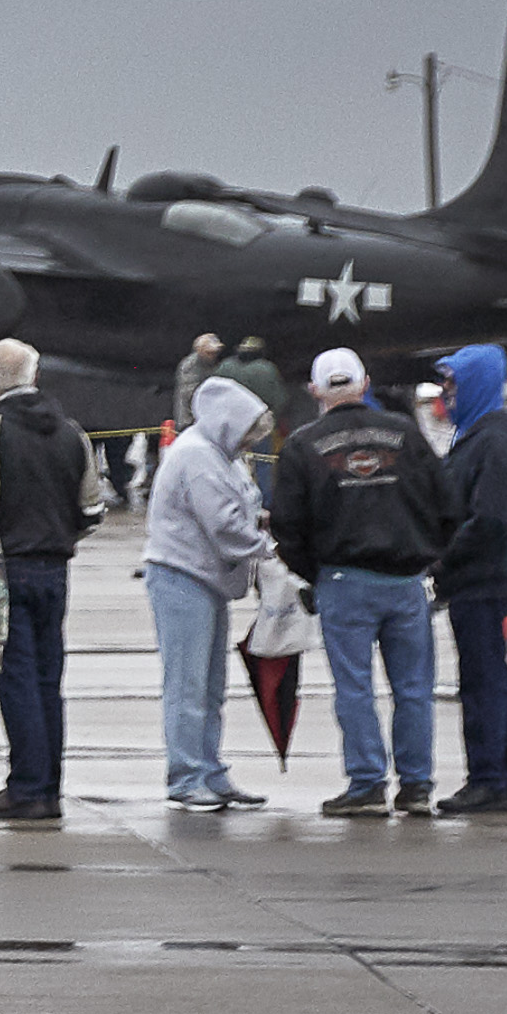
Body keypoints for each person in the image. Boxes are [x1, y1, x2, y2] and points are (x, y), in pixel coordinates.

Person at [268, 346, 456, 816]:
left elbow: (286, 524)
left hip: (342, 579)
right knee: (413, 689)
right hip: (405, 579)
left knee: (354, 688)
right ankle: (416, 784)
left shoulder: (302, 445)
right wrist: (429, 558)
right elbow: (446, 504)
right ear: (365, 383)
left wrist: (314, 572)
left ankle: (367, 782)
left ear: (314, 390)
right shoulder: (405, 433)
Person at [139, 373, 277, 808]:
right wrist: (269, 549)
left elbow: (242, 508)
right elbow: (224, 526)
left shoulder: (222, 455)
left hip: (208, 578)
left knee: (211, 685)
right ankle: (185, 776)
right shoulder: (198, 457)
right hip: (183, 577)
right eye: (247, 432)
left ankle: (209, 768)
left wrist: (260, 524)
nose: (249, 442)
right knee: (187, 683)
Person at [0, 340, 86, 823]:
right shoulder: (72, 433)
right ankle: (49, 786)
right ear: (35, 376)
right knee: (47, 680)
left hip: (6, 569)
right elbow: (92, 508)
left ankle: (27, 787)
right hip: (56, 567)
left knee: (15, 681)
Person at [429, 344, 507, 818]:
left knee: (483, 682)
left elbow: (491, 518)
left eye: (452, 383)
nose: (445, 393)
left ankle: (489, 779)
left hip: (484, 579)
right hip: (480, 578)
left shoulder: (492, 442)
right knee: (495, 677)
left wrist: (441, 559)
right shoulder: (478, 438)